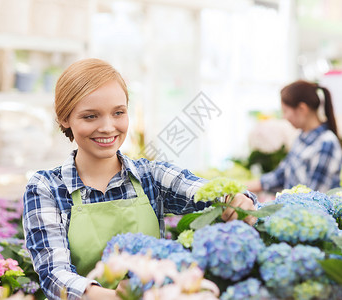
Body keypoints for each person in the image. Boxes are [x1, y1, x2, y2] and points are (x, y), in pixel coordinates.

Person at [22, 58, 257, 300]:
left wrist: (237, 199)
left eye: (118, 113)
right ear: (64, 118)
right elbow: (54, 275)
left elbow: (204, 191)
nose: (107, 127)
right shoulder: (46, 188)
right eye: (90, 116)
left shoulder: (151, 177)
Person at [246, 80, 342, 194]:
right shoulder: (302, 137)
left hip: (308, 211)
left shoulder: (326, 143)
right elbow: (281, 175)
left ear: (302, 109)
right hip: (293, 209)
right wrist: (240, 188)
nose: (284, 117)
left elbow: (314, 197)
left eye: (286, 111)